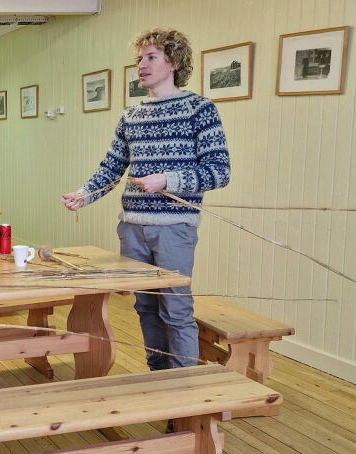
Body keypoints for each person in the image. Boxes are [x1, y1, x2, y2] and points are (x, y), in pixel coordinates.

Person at [62, 29, 231, 371]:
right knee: (146, 309)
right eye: (139, 59)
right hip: (132, 230)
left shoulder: (199, 109)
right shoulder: (131, 116)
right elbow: (111, 168)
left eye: (151, 57)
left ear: (174, 62)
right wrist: (84, 194)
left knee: (175, 309)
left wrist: (167, 180)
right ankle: (158, 377)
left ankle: (182, 392)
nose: (141, 65)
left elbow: (220, 171)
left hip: (175, 229)